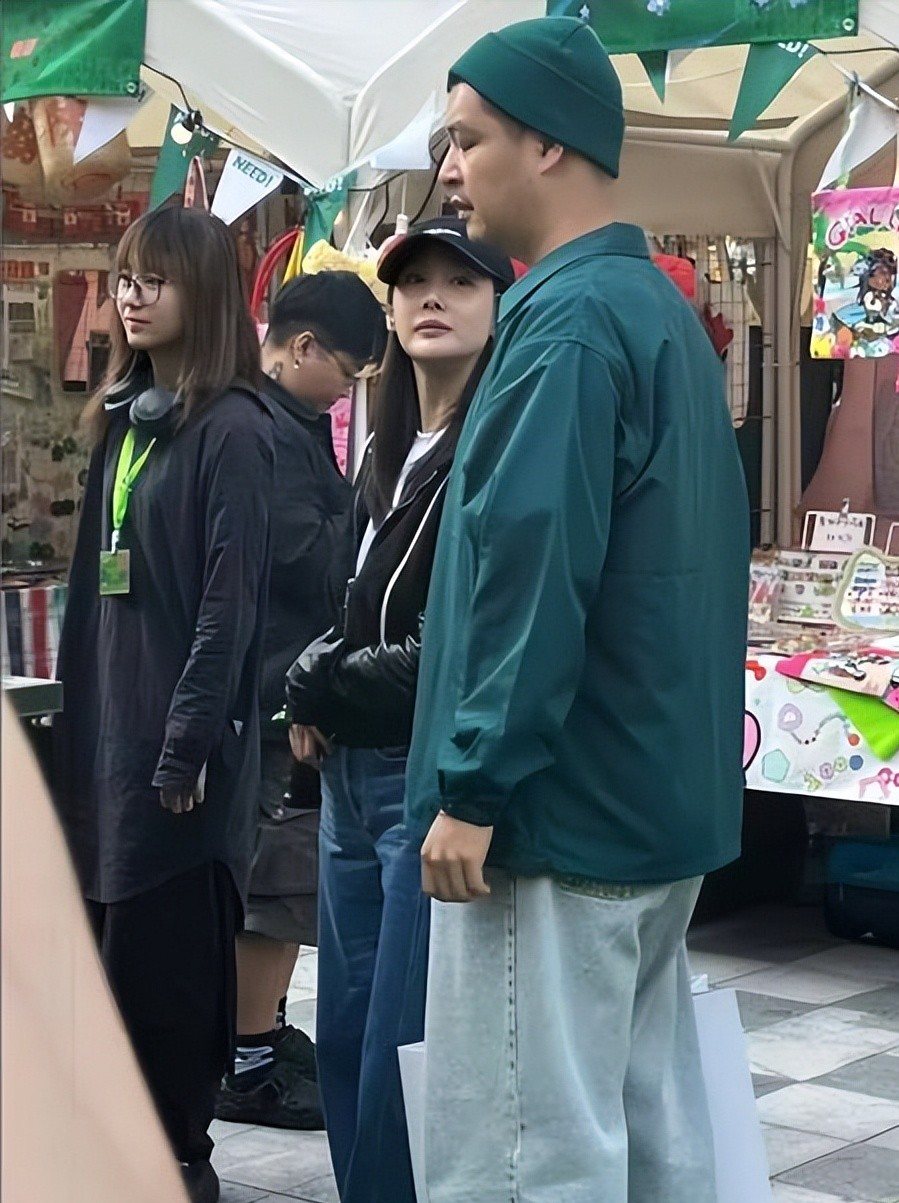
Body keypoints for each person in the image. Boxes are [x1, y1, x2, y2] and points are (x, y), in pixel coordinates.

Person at [404, 18, 750, 1203]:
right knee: (647, 1145)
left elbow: (531, 567)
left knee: (522, 1163)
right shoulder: (653, 313)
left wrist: (474, 786)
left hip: (552, 818)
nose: (450, 171)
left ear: (545, 144)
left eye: (466, 140)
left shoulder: (564, 324)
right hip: (645, 807)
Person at [286, 217, 514, 1203]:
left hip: (421, 774)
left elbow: (455, 645)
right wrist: (315, 684)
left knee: (400, 1042)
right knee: (342, 1030)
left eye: (459, 283)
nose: (431, 297)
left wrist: (320, 681)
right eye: (412, 281)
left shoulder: (493, 441)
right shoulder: (382, 443)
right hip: (348, 771)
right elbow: (350, 598)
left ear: (499, 304)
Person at [52, 206, 275, 1203]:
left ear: (207, 292)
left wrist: (185, 744)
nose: (133, 297)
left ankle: (177, 1161)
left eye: (157, 279)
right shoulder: (124, 419)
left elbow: (229, 609)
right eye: (125, 278)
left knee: (167, 979)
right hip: (109, 742)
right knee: (107, 972)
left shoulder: (235, 431)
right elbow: (92, 598)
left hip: (178, 767)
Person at [215, 271, 386, 1130]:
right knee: (273, 891)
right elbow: (301, 563)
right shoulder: (265, 433)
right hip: (269, 691)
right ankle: (248, 1062)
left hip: (280, 686)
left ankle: (260, 1038)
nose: (347, 393)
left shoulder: (288, 421)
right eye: (347, 374)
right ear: (303, 346)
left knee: (279, 887)